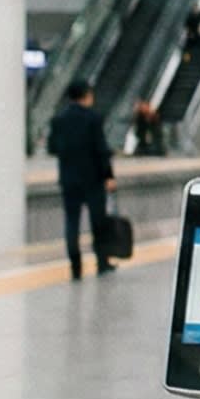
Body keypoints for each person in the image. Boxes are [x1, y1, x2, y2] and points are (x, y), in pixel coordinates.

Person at [47, 80, 117, 280]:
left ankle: (75, 267)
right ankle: (102, 262)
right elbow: (101, 150)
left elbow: (52, 147)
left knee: (72, 223)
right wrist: (109, 176)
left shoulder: (59, 120)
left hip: (69, 180)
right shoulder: (93, 118)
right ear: (86, 95)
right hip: (93, 179)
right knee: (98, 222)